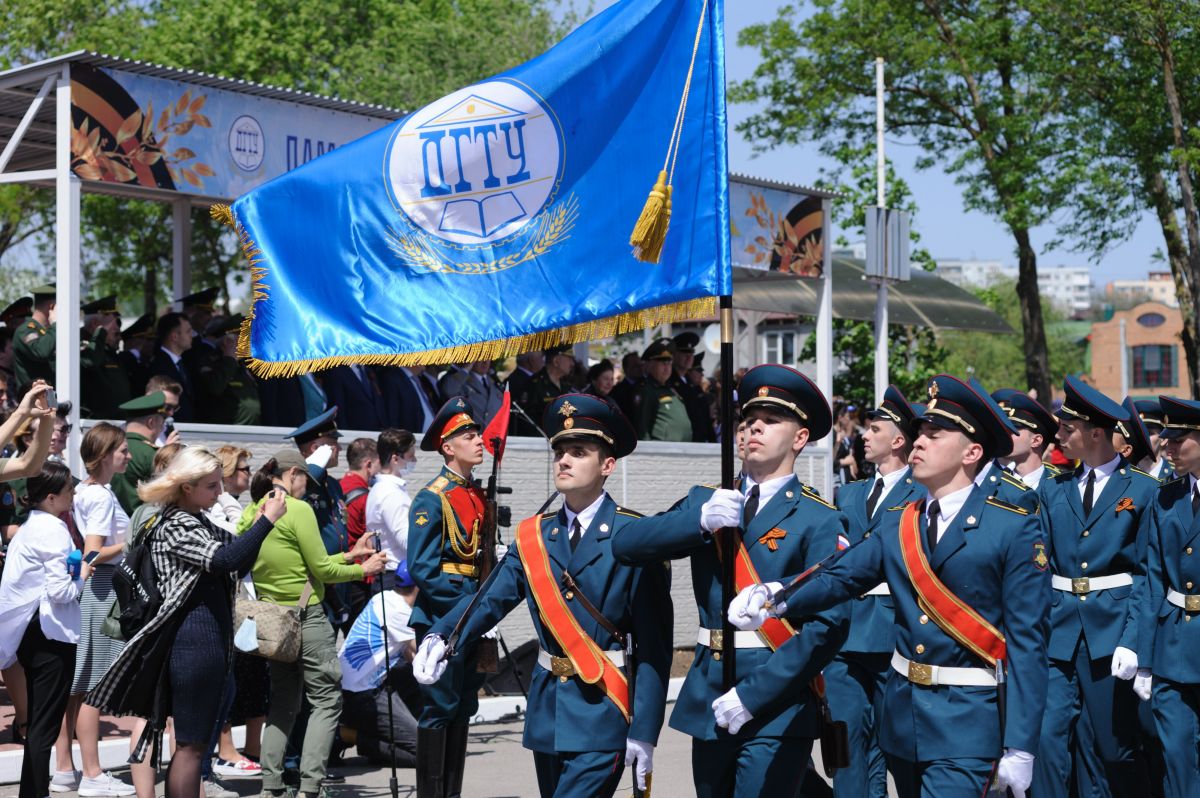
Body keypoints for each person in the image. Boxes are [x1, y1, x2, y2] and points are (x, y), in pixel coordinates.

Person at [728, 373, 1050, 798]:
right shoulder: (902, 522)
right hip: (903, 718)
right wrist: (777, 596)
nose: (917, 443)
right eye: (918, 434)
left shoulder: (1013, 529)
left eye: (934, 435)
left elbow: (1028, 645)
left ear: (972, 452)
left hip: (968, 722)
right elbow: (842, 572)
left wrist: (1022, 745)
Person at [415, 393, 672, 798]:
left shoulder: (633, 536)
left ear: (607, 465)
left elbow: (656, 646)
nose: (564, 460)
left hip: (602, 709)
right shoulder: (536, 535)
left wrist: (645, 731)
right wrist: (443, 635)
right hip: (548, 711)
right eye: (560, 452)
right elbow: (490, 598)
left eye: (579, 451)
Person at [611, 364, 850, 797]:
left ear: (800, 438)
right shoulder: (709, 499)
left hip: (778, 699)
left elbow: (827, 627)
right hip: (709, 690)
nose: (754, 426)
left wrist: (753, 696)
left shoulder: (819, 517)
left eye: (772, 420)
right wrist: (698, 522)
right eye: (747, 420)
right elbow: (628, 544)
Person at [85, 448, 287, 798]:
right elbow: (225, 560)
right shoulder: (177, 523)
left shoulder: (194, 519)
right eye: (211, 486)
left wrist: (258, 521)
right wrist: (266, 521)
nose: (219, 492)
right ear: (186, 488)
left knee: (193, 744)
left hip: (202, 642)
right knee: (192, 746)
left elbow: (240, 555)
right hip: (192, 644)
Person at [1031, 376, 1160, 798]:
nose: (1059, 435)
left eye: (1068, 428)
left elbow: (1148, 573)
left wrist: (1134, 640)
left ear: (1096, 433)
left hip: (1111, 632)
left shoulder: (1143, 491)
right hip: (1059, 631)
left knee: (1110, 749)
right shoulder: (1054, 488)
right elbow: (1039, 564)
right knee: (1047, 742)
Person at [239, 449, 387, 798]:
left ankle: (272, 785)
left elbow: (304, 562)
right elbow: (322, 571)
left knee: (283, 701)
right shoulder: (298, 509)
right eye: (306, 478)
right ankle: (311, 786)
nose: (308, 486)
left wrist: (349, 555)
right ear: (293, 474)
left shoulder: (252, 512)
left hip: (274, 623)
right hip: (307, 618)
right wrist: (361, 569)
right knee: (326, 701)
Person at [827, 385, 925, 798]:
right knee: (845, 738)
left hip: (894, 629)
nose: (864, 435)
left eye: (875, 428)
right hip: (847, 631)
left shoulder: (921, 492)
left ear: (898, 441)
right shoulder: (847, 493)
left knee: (896, 741)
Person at [407, 397, 489, 797]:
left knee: (462, 705)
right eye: (469, 435)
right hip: (443, 616)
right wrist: (463, 607)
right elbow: (422, 567)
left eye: (478, 434)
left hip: (471, 614)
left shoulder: (477, 496)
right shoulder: (432, 497)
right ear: (447, 446)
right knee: (439, 707)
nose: (479, 441)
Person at [0, 462, 90, 798]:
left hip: (31, 633)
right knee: (43, 729)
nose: (74, 493)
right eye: (69, 489)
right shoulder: (53, 529)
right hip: (50, 636)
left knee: (38, 726)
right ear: (51, 497)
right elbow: (61, 592)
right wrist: (82, 574)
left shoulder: (29, 526)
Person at [65, 424, 143, 798]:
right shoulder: (97, 496)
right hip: (100, 589)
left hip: (99, 590)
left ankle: (70, 769)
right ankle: (92, 774)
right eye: (123, 450)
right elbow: (94, 553)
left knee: (81, 686)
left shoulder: (88, 490)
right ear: (105, 455)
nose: (129, 455)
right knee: (92, 685)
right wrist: (134, 541)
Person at [1140, 394, 1200, 798]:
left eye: (1179, 438)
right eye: (1166, 438)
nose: (1167, 446)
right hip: (1173, 646)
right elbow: (1151, 578)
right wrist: (1143, 657)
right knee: (1176, 755)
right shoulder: (1166, 496)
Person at [337, 559, 421, 768]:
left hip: (349, 688)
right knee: (425, 753)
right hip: (362, 695)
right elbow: (424, 653)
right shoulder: (402, 614)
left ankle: (377, 742)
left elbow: (411, 656)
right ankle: (349, 735)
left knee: (408, 675)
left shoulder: (382, 598)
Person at [285, 407, 354, 628]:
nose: (339, 448)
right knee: (307, 640)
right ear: (316, 449)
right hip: (311, 581)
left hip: (338, 575)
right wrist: (313, 464)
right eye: (333, 443)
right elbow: (292, 492)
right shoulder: (300, 484)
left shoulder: (332, 484)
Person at [366, 428, 418, 587]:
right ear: (395, 459)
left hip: (391, 572)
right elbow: (406, 540)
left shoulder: (382, 488)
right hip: (396, 575)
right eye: (411, 456)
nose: (414, 460)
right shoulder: (390, 493)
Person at [191, 315, 261, 425]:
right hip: (226, 432)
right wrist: (230, 359)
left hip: (251, 430)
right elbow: (214, 387)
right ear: (227, 341)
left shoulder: (244, 363)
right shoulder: (211, 362)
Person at [110, 392, 170, 515]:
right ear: (151, 422)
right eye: (161, 424)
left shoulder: (109, 448)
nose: (162, 429)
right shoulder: (152, 454)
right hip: (142, 527)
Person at [993, 388, 1063, 489]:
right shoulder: (994, 483)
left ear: (1036, 441)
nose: (1006, 434)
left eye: (1014, 430)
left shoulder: (1060, 487)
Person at [341, 437, 380, 620]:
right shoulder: (366, 498)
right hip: (360, 577)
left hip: (339, 571)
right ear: (369, 464)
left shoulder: (337, 487)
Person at [79, 295, 130, 420]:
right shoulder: (80, 343)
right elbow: (90, 362)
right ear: (95, 324)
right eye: (112, 326)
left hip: (116, 422)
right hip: (93, 423)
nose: (117, 329)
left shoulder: (108, 350)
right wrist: (101, 332)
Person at [635, 338, 690, 442]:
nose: (667, 367)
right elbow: (643, 428)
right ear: (651, 364)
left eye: (669, 363)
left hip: (680, 449)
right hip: (661, 452)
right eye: (663, 363)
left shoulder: (671, 389)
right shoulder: (647, 390)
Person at [148, 312, 195, 422]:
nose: (191, 335)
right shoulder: (158, 366)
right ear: (174, 336)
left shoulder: (181, 363)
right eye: (188, 331)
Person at [12, 284, 56, 394]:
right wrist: (56, 324)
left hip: (50, 399)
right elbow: (42, 352)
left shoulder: (50, 332)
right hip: (33, 403)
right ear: (51, 307)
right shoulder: (25, 330)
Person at [523, 346, 575, 432]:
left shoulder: (566, 385)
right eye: (569, 359)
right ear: (556, 361)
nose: (572, 363)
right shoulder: (535, 385)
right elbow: (528, 420)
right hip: (540, 440)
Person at [321, 365, 386, 431]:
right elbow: (339, 410)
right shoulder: (337, 372)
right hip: (356, 434)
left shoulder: (368, 370)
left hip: (378, 430)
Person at [377, 366, 436, 434]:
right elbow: (393, 415)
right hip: (412, 439)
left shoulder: (420, 379)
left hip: (430, 437)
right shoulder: (393, 379)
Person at [1135, 399, 1175, 481]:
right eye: (1138, 432)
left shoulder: (1176, 474)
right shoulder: (1121, 475)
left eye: (1149, 433)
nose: (1143, 437)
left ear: (1163, 439)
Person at [608, 351, 642, 426]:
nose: (640, 368)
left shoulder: (646, 386)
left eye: (640, 365)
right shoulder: (616, 391)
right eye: (635, 366)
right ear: (626, 368)